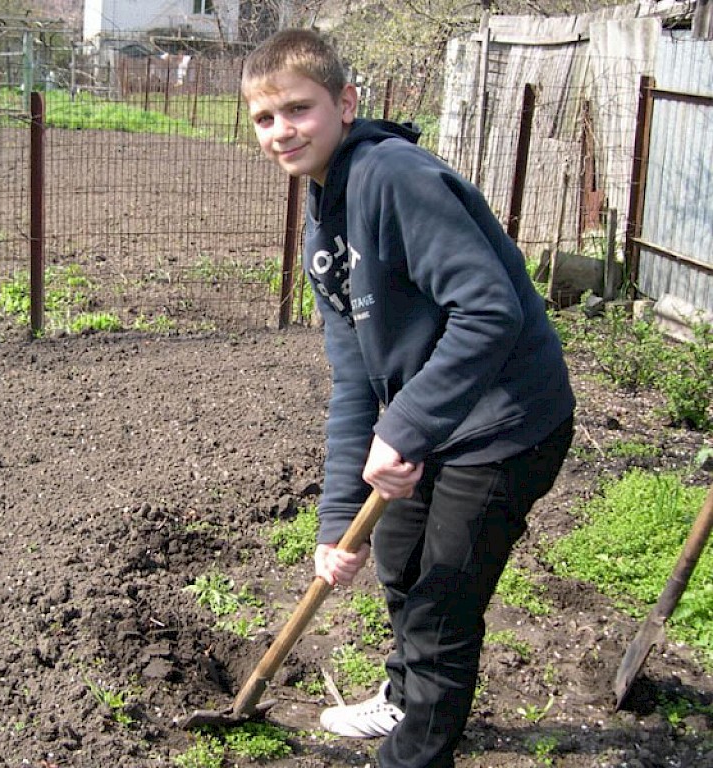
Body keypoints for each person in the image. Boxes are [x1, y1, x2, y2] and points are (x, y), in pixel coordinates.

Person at [241, 28, 576, 768]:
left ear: (345, 103)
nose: (281, 131)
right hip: (434, 422)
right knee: (397, 558)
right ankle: (404, 694)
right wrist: (338, 521)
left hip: (506, 421)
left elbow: (489, 311)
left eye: (297, 109)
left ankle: (417, 751)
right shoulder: (323, 221)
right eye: (264, 118)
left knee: (441, 602)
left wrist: (408, 424)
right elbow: (356, 378)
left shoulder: (393, 175)